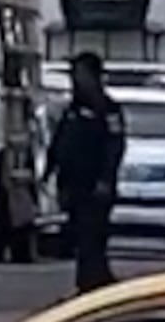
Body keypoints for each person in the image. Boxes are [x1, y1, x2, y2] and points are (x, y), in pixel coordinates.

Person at [43, 51, 125, 295]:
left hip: (95, 185)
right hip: (72, 183)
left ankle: (93, 285)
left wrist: (105, 180)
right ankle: (90, 283)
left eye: (80, 74)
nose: (76, 80)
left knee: (92, 236)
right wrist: (49, 170)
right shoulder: (72, 109)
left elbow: (115, 146)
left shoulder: (107, 109)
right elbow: (59, 142)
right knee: (79, 236)